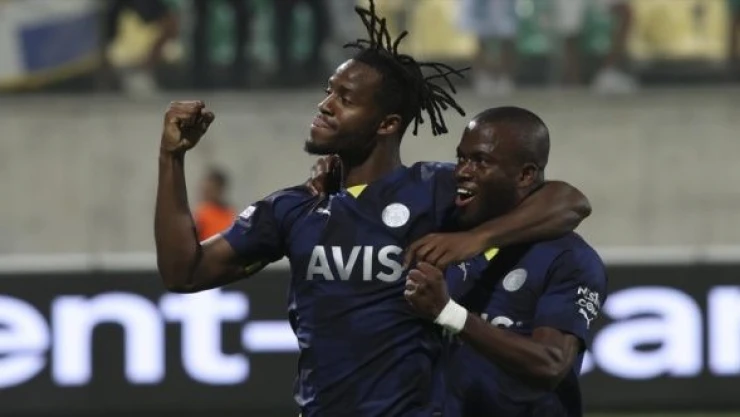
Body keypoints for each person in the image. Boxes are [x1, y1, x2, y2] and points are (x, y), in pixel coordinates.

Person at [154, 1, 591, 415]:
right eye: (329, 92)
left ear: (387, 124)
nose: (325, 105)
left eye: (345, 99)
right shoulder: (295, 207)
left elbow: (569, 202)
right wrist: (171, 157)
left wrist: (474, 239)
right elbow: (184, 272)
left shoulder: (433, 190)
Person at [404, 107, 607, 417]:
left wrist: (449, 313)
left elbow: (551, 364)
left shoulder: (568, 258)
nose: (462, 171)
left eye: (481, 161)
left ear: (525, 175)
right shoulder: (445, 228)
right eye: (461, 158)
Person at [193, 167, 235, 241]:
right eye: (205, 190)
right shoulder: (200, 215)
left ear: (220, 189)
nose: (206, 194)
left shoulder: (230, 214)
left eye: (210, 190)